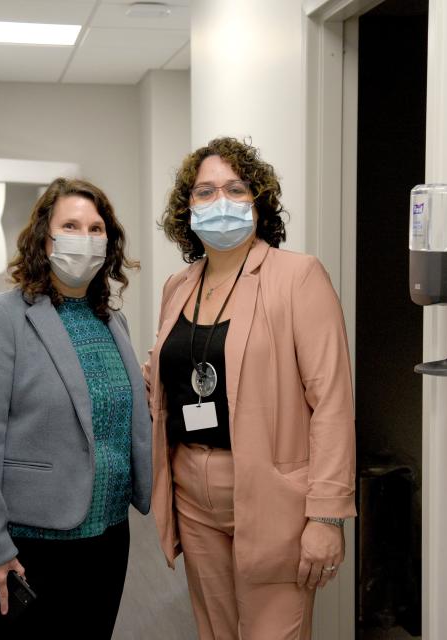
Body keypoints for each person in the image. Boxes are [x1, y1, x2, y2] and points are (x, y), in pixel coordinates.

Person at [144, 137, 357, 639]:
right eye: (204, 192)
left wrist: (326, 517)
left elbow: (331, 402)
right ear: (187, 208)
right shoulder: (179, 286)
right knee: (215, 632)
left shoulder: (297, 277)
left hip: (273, 493)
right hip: (191, 492)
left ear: (258, 203)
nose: (220, 201)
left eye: (235, 188)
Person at [0, 178, 151, 639]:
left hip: (106, 539)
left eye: (97, 228)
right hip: (27, 547)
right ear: (45, 238)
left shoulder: (111, 320)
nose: (86, 237)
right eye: (72, 225)